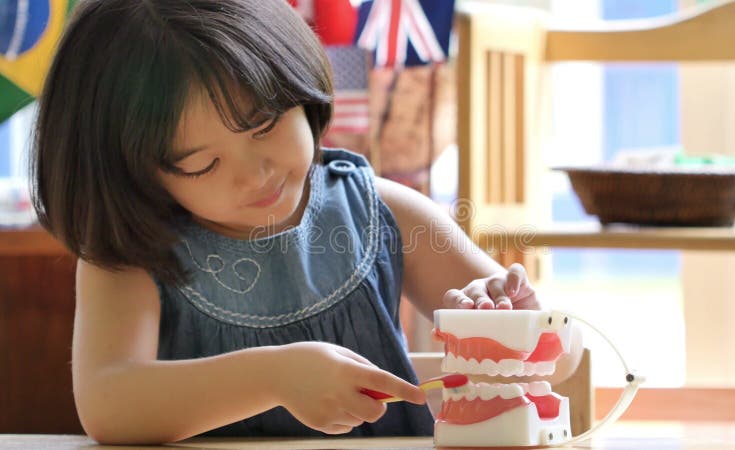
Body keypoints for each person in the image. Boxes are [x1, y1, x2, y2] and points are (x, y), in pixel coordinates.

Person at [30, 0, 577, 444]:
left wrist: (522, 323)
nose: (256, 172)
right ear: (133, 172)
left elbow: (563, 361)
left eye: (264, 125)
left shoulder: (383, 211)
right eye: (203, 164)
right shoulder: (132, 251)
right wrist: (274, 376)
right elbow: (107, 404)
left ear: (298, 87)